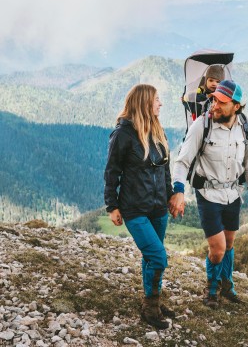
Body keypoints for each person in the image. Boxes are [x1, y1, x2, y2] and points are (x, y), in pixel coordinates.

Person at [170, 80, 248, 308]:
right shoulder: (202, 125)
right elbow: (182, 162)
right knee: (218, 248)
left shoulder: (246, 127)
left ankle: (227, 285)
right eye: (214, 99)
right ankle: (211, 289)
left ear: (237, 106)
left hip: (233, 194)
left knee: (229, 244)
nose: (215, 105)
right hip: (207, 193)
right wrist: (179, 191)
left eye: (222, 102)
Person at [104, 84, 178, 329]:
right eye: (157, 99)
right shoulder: (123, 134)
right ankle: (150, 306)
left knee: (150, 256)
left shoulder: (157, 130)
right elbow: (112, 172)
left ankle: (152, 302)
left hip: (158, 208)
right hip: (134, 209)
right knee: (158, 257)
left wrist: (170, 196)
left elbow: (165, 168)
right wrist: (112, 206)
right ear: (145, 102)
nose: (161, 104)